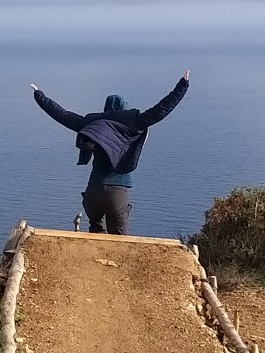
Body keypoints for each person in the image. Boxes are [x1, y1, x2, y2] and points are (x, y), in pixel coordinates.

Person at [30, 70, 190, 235]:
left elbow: (62, 115)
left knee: (95, 238)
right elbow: (162, 109)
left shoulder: (91, 123)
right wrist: (182, 85)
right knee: (119, 244)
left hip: (93, 193)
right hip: (117, 194)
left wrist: (39, 95)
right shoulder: (134, 122)